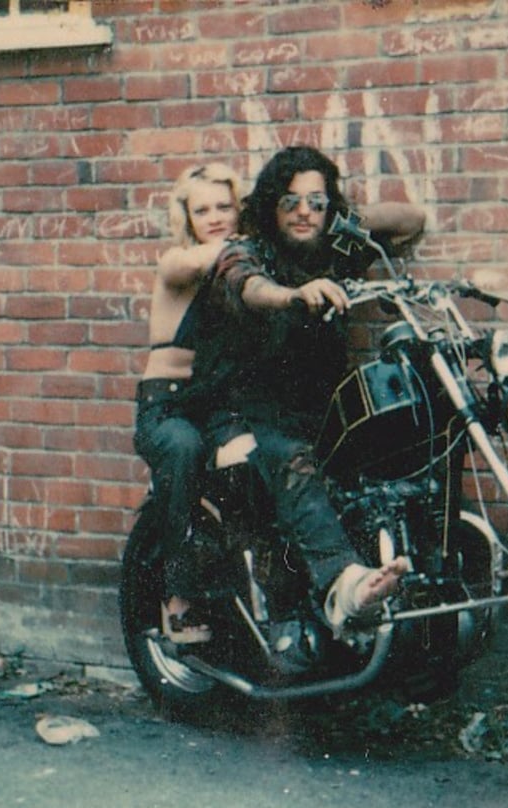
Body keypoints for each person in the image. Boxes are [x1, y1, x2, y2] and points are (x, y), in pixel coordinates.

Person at [183, 145, 425, 651]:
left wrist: (342, 215)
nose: (303, 213)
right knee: (292, 459)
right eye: (290, 201)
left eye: (315, 202)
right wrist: (294, 294)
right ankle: (345, 585)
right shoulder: (245, 251)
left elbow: (409, 221)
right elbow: (249, 289)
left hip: (310, 406)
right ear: (270, 205)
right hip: (240, 408)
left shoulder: (332, 247)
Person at [133, 163, 243, 644]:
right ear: (188, 218)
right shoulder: (178, 261)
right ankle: (177, 598)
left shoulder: (242, 268)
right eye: (203, 210)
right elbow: (201, 261)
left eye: (225, 206)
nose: (216, 217)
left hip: (215, 404)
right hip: (168, 409)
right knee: (183, 450)